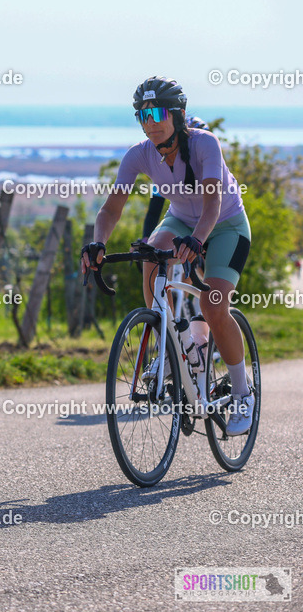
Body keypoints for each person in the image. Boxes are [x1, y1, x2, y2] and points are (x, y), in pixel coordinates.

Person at [81, 77, 254, 435]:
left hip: (224, 225)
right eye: (143, 114)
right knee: (152, 253)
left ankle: (242, 393)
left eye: (159, 112)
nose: (152, 121)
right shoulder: (139, 154)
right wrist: (98, 242)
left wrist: (197, 240)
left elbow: (213, 203)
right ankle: (169, 345)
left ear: (178, 115)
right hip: (180, 220)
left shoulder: (205, 144)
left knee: (213, 306)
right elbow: (111, 209)